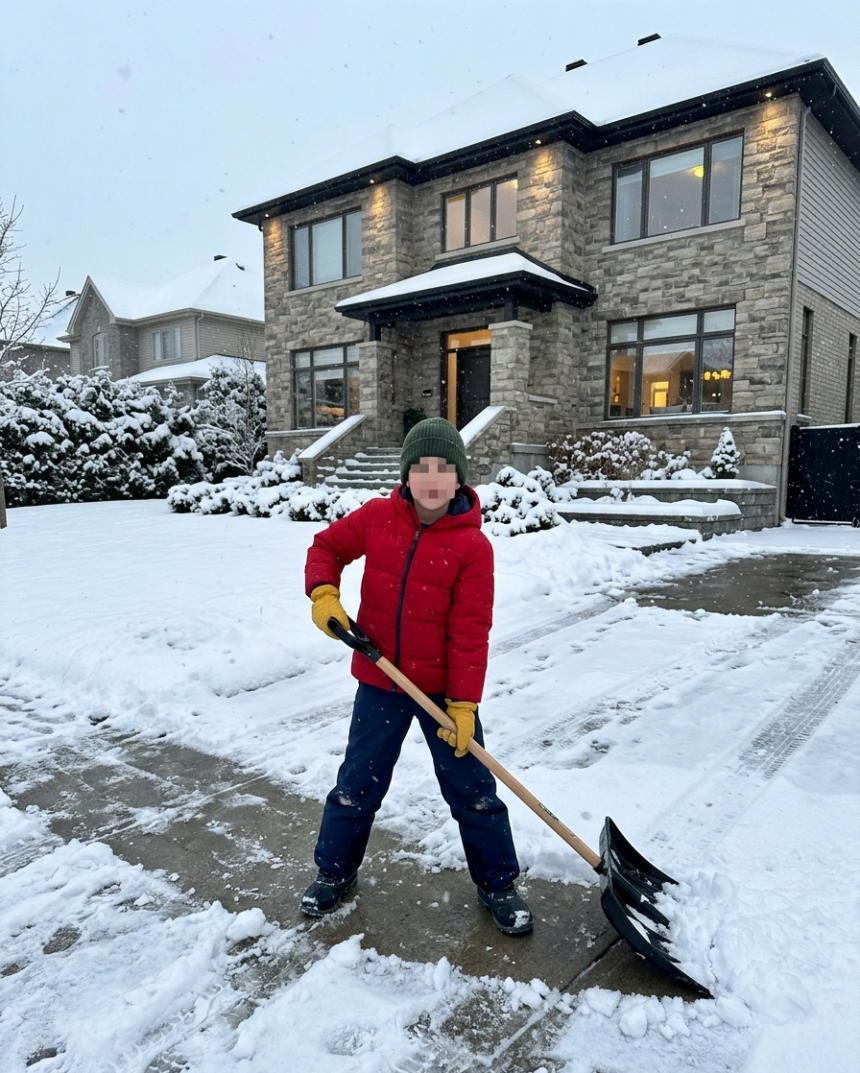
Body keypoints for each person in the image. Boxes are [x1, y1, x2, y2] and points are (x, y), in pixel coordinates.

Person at [301, 417, 533, 935]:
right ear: (406, 474)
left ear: (460, 479)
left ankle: (498, 882)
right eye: (422, 466)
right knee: (357, 781)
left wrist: (464, 706)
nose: (432, 477)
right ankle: (333, 872)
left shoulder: (473, 548)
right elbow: (326, 548)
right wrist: (324, 593)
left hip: (442, 693)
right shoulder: (378, 518)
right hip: (380, 678)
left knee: (472, 787)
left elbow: (471, 632)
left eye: (444, 468)